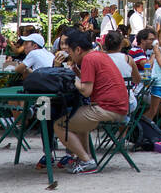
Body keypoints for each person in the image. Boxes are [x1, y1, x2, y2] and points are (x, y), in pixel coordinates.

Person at [50, 31, 129, 174]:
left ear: (78, 50)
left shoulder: (88, 59)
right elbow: (92, 83)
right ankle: (85, 158)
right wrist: (76, 72)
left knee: (59, 125)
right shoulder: (98, 55)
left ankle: (87, 161)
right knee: (80, 122)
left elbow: (86, 91)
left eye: (71, 53)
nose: (71, 57)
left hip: (108, 108)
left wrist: (71, 78)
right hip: (119, 106)